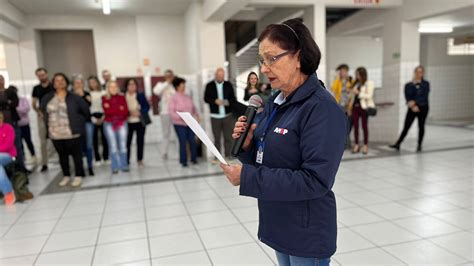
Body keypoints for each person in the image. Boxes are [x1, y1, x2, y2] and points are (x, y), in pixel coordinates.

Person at [221, 19, 346, 266]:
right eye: (262, 60)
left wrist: (247, 178)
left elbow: (316, 180)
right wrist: (247, 147)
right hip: (279, 220)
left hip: (306, 230)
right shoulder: (276, 103)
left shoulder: (321, 109)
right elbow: (267, 156)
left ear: (298, 57)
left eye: (272, 58)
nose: (265, 69)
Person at [40, 73, 90, 187]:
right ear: (53, 83)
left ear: (66, 82)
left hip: (72, 131)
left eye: (62, 80)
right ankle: (66, 175)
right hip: (55, 132)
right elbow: (42, 110)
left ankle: (78, 175)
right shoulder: (48, 97)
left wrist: (78, 122)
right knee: (62, 155)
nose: (60, 82)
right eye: (57, 80)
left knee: (76, 155)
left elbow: (86, 111)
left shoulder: (74, 97)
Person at [390, 65, 430, 152]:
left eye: (421, 72)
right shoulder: (409, 85)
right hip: (412, 108)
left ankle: (419, 144)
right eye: (418, 72)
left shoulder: (426, 84)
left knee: (421, 126)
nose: (420, 74)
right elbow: (407, 96)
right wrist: (412, 105)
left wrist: (414, 103)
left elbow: (423, 96)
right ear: (415, 72)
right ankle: (398, 143)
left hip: (423, 107)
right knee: (406, 126)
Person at [204, 68, 236, 161]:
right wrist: (215, 101)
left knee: (228, 137)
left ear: (224, 76)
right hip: (215, 116)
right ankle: (217, 156)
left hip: (227, 115)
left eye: (222, 76)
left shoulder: (228, 85)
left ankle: (228, 154)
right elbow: (206, 98)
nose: (220, 78)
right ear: (215, 75)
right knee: (216, 138)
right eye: (218, 76)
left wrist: (225, 102)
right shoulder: (209, 85)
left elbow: (233, 99)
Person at [169, 77, 199, 167]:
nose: (184, 87)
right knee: (183, 142)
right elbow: (171, 112)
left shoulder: (187, 97)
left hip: (190, 123)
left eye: (184, 85)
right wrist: (181, 117)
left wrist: (197, 115)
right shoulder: (173, 98)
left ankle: (194, 159)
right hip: (179, 124)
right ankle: (183, 161)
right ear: (177, 86)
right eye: (182, 85)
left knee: (192, 141)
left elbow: (193, 107)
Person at [102, 81, 129, 173]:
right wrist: (118, 108)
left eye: (115, 86)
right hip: (109, 124)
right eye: (111, 87)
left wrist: (112, 108)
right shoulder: (104, 98)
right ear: (108, 88)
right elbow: (107, 112)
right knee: (112, 145)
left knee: (122, 145)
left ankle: (124, 165)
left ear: (117, 88)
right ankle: (114, 167)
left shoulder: (122, 97)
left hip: (122, 123)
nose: (113, 88)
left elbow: (125, 111)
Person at [32, 67, 54, 172]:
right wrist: (38, 111)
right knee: (43, 141)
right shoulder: (36, 88)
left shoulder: (53, 85)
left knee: (59, 139)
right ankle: (44, 163)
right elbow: (34, 103)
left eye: (43, 75)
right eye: (39, 75)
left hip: (55, 115)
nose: (42, 77)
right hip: (42, 114)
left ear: (47, 74)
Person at [72, 75, 94, 176]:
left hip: (87, 122)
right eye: (76, 83)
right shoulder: (70, 95)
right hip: (75, 124)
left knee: (89, 145)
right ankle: (80, 168)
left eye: (80, 83)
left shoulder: (87, 94)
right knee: (77, 146)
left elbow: (88, 107)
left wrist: (83, 97)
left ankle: (90, 166)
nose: (78, 85)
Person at [0, 77, 24, 170]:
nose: (0, 81)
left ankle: (21, 168)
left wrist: (6, 103)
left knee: (18, 146)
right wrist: (7, 102)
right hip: (1, 125)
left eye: (1, 79)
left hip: (12, 122)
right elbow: (9, 103)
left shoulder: (10, 92)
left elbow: (15, 103)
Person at [349, 67, 374, 155]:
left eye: (358, 74)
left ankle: (365, 145)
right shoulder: (355, 84)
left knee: (364, 127)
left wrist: (358, 93)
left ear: (363, 75)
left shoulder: (368, 83)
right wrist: (350, 107)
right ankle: (356, 145)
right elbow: (352, 96)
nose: (357, 76)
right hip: (355, 108)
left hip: (363, 108)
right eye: (356, 74)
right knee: (355, 126)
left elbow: (369, 96)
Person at [125, 78, 150, 166]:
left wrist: (140, 112)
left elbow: (147, 106)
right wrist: (129, 113)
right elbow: (121, 109)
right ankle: (126, 160)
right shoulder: (123, 96)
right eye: (130, 84)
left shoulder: (140, 95)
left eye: (133, 84)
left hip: (140, 121)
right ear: (126, 86)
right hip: (128, 122)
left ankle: (140, 159)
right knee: (127, 142)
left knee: (140, 141)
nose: (132, 86)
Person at [153, 69, 175, 160]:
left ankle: (182, 152)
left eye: (170, 76)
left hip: (176, 113)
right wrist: (167, 83)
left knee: (179, 133)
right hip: (165, 113)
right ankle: (164, 153)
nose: (168, 77)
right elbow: (156, 92)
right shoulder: (161, 85)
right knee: (166, 134)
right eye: (167, 76)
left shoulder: (175, 86)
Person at [331, 64, 353, 149]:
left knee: (348, 125)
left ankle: (347, 143)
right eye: (341, 71)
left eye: (344, 71)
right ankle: (342, 144)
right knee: (341, 125)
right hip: (339, 105)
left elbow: (351, 94)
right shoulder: (338, 81)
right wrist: (338, 78)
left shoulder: (350, 80)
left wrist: (350, 107)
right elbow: (333, 88)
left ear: (347, 71)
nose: (342, 72)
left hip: (347, 106)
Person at [12, 86, 36, 165]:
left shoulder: (22, 99)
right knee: (19, 144)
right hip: (16, 125)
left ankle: (33, 155)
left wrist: (16, 108)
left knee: (28, 140)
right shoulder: (10, 102)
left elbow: (26, 109)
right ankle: (23, 158)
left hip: (24, 124)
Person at [88, 76, 109, 165]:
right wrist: (93, 119)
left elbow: (107, 106)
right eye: (90, 82)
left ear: (97, 82)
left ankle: (106, 157)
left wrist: (103, 117)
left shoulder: (103, 93)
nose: (93, 84)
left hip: (103, 115)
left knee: (105, 138)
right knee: (94, 138)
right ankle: (97, 158)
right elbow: (87, 108)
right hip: (92, 116)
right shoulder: (88, 94)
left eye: (94, 82)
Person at [0, 111, 16, 205]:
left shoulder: (8, 128)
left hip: (8, 155)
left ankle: (8, 192)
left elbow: (8, 145)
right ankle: (8, 193)